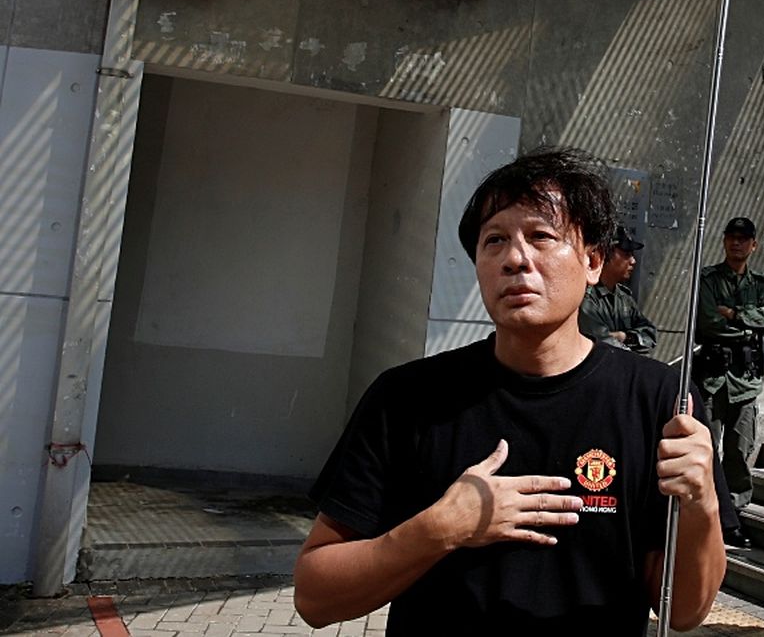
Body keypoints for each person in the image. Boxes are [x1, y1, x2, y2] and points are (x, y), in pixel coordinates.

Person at [293, 149, 724, 634]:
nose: (516, 259)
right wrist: (439, 530)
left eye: (541, 236)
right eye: (494, 240)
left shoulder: (661, 403)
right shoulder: (408, 398)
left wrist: (701, 502)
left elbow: (683, 612)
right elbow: (315, 597)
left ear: (593, 261)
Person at [692, 216, 764, 549]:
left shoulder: (760, 284)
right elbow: (709, 321)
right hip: (713, 380)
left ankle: (734, 517)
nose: (737, 243)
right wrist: (745, 324)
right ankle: (705, 515)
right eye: (731, 237)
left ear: (753, 245)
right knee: (706, 451)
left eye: (744, 239)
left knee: (739, 452)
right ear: (724, 241)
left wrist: (736, 314)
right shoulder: (708, 279)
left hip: (745, 383)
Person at [578, 226, 657, 354]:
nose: (633, 261)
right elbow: (603, 344)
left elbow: (650, 335)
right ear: (602, 255)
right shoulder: (586, 297)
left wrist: (624, 337)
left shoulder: (623, 297)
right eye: (626, 254)